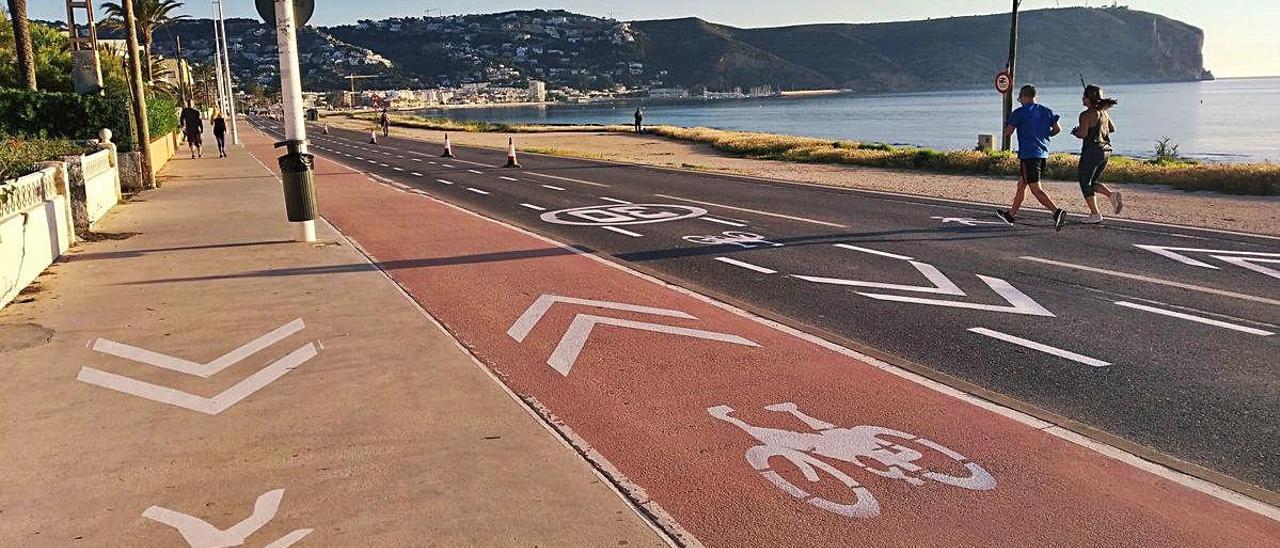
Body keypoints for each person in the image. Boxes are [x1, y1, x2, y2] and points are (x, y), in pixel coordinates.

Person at [996, 84, 1068, 231]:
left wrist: (1007, 125)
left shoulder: (1019, 113)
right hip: (1042, 154)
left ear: (1024, 96)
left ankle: (1056, 212)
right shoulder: (1046, 111)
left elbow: (1008, 132)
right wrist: (1044, 136)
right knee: (1022, 184)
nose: (1020, 100)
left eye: (1020, 98)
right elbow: (1057, 129)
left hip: (1028, 155)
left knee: (1035, 189)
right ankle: (1011, 215)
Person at [1071, 84, 1123, 224]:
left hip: (1092, 151)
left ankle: (1095, 214)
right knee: (1092, 182)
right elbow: (1111, 129)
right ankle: (1111, 195)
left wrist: (1076, 132)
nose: (1082, 98)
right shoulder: (1104, 113)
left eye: (1084, 96)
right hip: (1106, 151)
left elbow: (1083, 134)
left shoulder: (1085, 115)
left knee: (1084, 182)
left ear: (1088, 99)